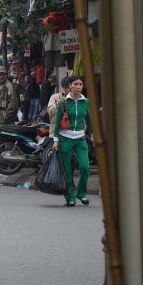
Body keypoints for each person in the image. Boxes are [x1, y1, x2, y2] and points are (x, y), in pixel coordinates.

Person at [52, 74, 93, 207]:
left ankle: (81, 193)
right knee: (67, 170)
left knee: (85, 167)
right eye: (75, 84)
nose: (78, 87)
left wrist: (93, 134)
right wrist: (56, 140)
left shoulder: (85, 102)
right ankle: (70, 196)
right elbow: (56, 123)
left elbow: (89, 121)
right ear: (70, 86)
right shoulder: (63, 102)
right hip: (65, 139)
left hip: (80, 138)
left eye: (80, 84)